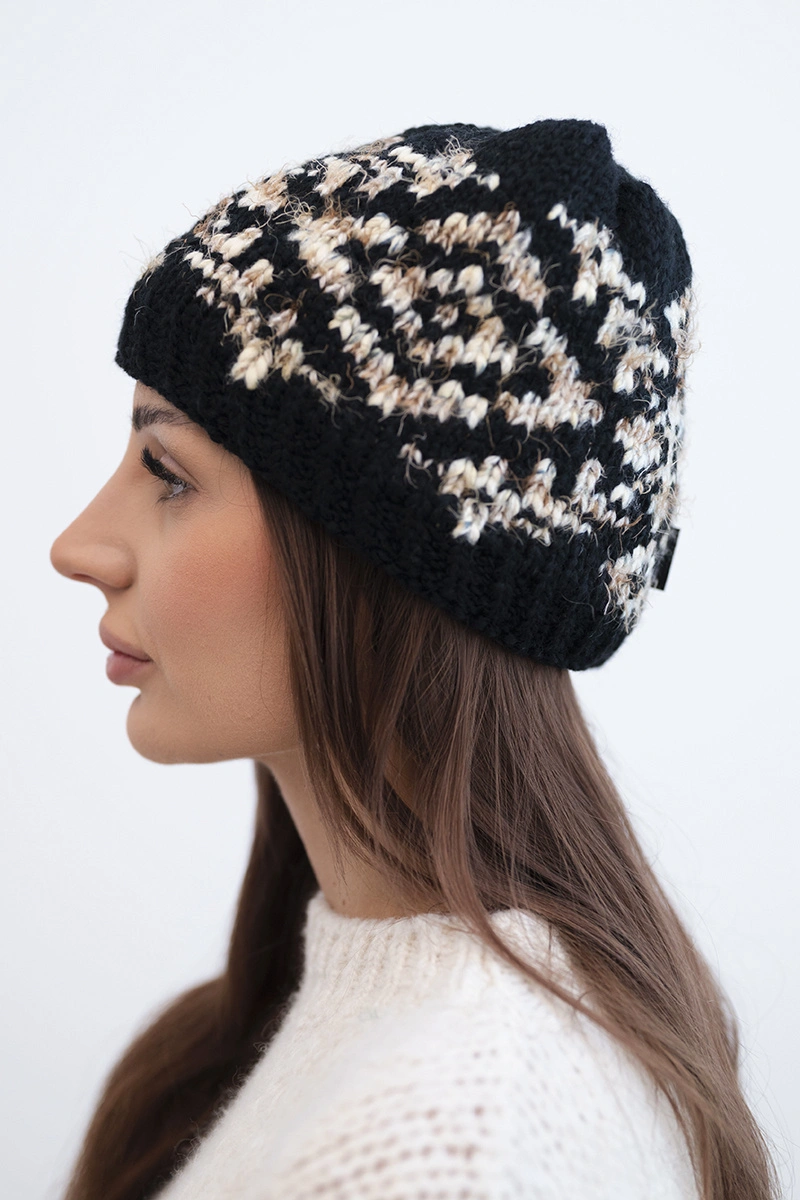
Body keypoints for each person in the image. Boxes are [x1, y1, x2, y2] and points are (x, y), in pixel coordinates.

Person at [49, 119, 778, 1200]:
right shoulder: (367, 1034)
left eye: (169, 472)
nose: (77, 548)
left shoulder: (442, 1144)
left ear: (382, 552)